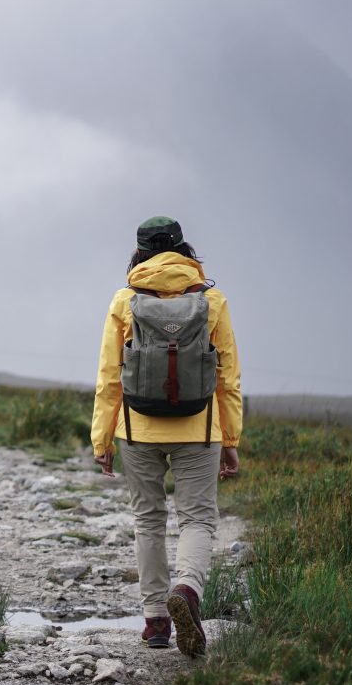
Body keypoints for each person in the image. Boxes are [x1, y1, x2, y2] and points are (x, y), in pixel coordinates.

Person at [89, 216, 242, 656]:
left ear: (138, 254)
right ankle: (188, 591)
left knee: (148, 520)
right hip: (200, 427)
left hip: (138, 428)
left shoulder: (124, 300)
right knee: (197, 519)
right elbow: (228, 376)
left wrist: (102, 439)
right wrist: (230, 439)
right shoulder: (211, 300)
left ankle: (156, 621)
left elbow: (108, 377)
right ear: (185, 249)